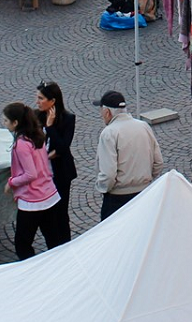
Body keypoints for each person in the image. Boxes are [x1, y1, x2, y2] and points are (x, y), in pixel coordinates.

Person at [5, 102, 70, 257]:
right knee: (53, 241)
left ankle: (31, 273)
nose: (4, 123)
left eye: (6, 121)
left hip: (32, 200)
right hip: (49, 195)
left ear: (15, 123)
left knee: (23, 244)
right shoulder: (37, 135)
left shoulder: (21, 144)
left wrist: (11, 183)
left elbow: (30, 174)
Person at [93, 89, 163, 219]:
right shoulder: (144, 126)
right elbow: (158, 162)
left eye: (101, 111)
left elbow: (108, 173)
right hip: (144, 194)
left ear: (107, 112)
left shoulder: (109, 133)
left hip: (117, 199)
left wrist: (101, 187)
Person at [35, 81, 78, 206]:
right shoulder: (36, 116)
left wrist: (50, 127)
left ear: (52, 101)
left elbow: (63, 147)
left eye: (40, 98)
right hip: (41, 172)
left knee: (60, 211)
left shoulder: (68, 119)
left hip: (60, 173)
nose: (37, 101)